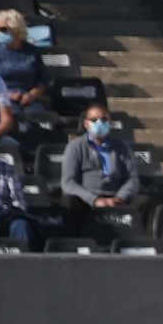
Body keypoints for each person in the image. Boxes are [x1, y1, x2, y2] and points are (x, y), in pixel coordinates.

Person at [61, 103, 154, 243]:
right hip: (88, 198)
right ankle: (75, 244)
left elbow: (133, 179)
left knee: (145, 202)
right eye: (94, 120)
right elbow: (68, 182)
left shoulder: (121, 147)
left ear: (110, 122)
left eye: (104, 120)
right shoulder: (75, 147)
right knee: (69, 200)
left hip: (115, 197)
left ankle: (143, 244)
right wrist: (93, 200)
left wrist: (119, 198)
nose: (99, 123)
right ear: (86, 124)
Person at [0, 10, 47, 113]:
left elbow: (42, 81)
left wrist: (31, 95)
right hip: (0, 99)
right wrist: (7, 95)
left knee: (39, 118)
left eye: (3, 29)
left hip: (28, 98)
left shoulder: (32, 51)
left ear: (16, 30)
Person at [0, 129, 37, 248]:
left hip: (1, 218)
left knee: (21, 224)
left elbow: (19, 204)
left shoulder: (7, 169)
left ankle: (25, 264)